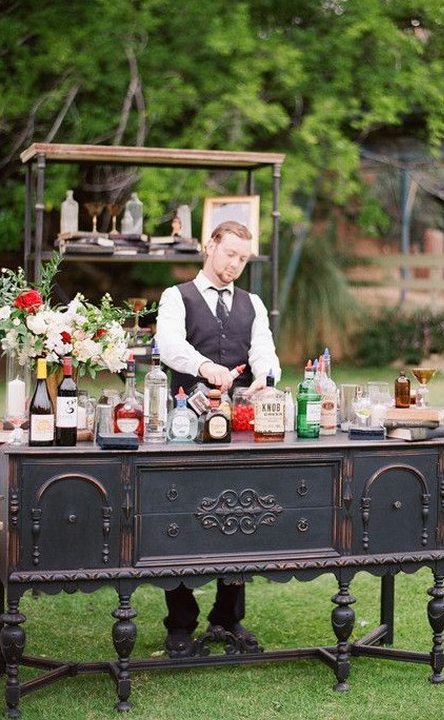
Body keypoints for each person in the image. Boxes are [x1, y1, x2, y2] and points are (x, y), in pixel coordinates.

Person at [156, 220, 281, 657]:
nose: (235, 265)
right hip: (185, 423)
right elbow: (169, 346)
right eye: (229, 254)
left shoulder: (253, 303)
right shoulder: (177, 297)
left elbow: (262, 348)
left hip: (238, 425)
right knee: (183, 519)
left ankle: (228, 618)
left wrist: (265, 373)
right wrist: (205, 366)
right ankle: (180, 623)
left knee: (244, 515)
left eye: (243, 259)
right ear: (210, 246)